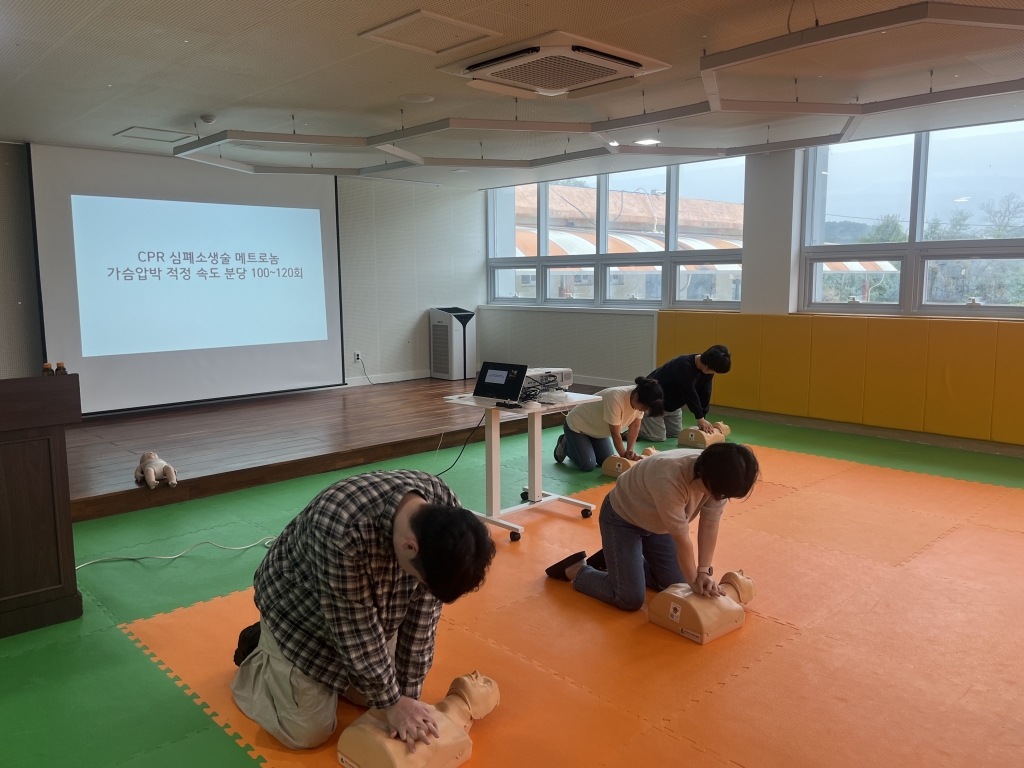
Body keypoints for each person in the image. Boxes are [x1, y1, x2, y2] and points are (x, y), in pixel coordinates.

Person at [230, 470, 496, 751]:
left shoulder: (444, 511)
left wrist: (405, 697)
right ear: (410, 546)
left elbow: (422, 621)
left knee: (377, 696)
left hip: (372, 611)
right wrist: (392, 703)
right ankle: (260, 652)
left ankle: (315, 678)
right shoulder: (340, 527)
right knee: (307, 734)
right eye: (422, 582)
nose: (424, 591)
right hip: (299, 614)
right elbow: (354, 630)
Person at [545, 443, 759, 612]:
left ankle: (619, 560)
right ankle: (575, 569)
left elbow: (710, 524)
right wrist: (695, 580)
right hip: (622, 518)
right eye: (717, 493)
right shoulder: (670, 477)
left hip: (657, 526)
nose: (718, 498)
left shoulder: (720, 477)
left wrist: (703, 572)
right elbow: (682, 539)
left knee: (676, 584)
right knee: (629, 599)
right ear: (703, 475)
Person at [553, 377, 665, 472]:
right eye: (644, 408)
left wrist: (629, 450)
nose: (644, 411)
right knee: (587, 465)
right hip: (578, 426)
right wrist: (624, 457)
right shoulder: (616, 398)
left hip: (598, 431)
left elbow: (635, 426)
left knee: (605, 462)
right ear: (636, 397)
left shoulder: (641, 398)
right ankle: (565, 443)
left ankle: (581, 445)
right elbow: (615, 433)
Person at [639, 345, 731, 442]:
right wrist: (699, 418)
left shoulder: (707, 371)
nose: (714, 373)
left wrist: (703, 418)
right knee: (658, 437)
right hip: (653, 402)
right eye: (714, 371)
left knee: (676, 435)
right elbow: (690, 393)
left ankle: (649, 426)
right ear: (707, 366)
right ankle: (637, 428)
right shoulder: (683, 365)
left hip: (672, 406)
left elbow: (706, 393)